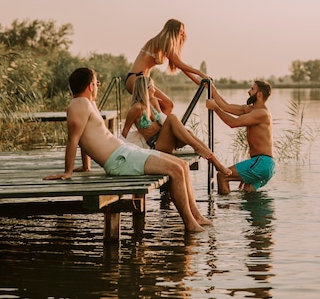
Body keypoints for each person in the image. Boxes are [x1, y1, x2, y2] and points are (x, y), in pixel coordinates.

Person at [43, 67, 209, 233]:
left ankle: (197, 216)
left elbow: (84, 137)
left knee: (182, 165)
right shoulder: (79, 104)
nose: (98, 86)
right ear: (90, 86)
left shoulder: (88, 104)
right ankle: (190, 223)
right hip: (119, 160)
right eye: (96, 83)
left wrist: (87, 166)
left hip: (125, 151)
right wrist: (68, 171)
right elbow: (73, 138)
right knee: (175, 170)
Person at [121, 75, 231, 177]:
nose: (155, 90)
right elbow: (124, 132)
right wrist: (119, 155)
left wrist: (159, 110)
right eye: (153, 88)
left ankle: (215, 161)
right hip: (157, 145)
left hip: (166, 140)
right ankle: (198, 149)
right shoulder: (136, 108)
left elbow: (163, 122)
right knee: (172, 117)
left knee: (188, 132)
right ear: (146, 89)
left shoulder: (153, 102)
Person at [125, 19, 209, 116]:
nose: (182, 35)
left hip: (141, 81)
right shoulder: (162, 42)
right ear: (173, 30)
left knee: (164, 106)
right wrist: (200, 73)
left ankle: (156, 129)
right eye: (180, 31)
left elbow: (183, 68)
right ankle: (160, 130)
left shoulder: (162, 43)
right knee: (168, 105)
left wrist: (199, 82)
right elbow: (180, 65)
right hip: (136, 79)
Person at [205, 81, 275, 195]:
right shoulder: (250, 110)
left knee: (222, 175)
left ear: (259, 94)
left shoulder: (262, 113)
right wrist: (211, 88)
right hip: (263, 164)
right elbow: (225, 106)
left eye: (252, 89)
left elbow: (233, 123)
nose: (248, 91)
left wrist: (215, 109)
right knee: (247, 192)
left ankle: (224, 209)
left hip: (262, 162)